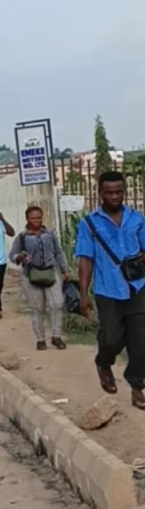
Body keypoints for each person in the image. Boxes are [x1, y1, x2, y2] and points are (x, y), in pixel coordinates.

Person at [76, 170, 145, 409]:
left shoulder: (136, 219)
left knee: (141, 342)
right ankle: (103, 361)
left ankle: (137, 387)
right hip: (107, 290)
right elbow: (85, 260)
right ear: (100, 193)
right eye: (109, 193)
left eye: (118, 192)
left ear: (124, 192)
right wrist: (83, 294)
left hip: (137, 287)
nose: (114, 197)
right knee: (113, 338)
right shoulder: (88, 224)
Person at [10, 206, 68, 350]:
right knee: (37, 308)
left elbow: (58, 252)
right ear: (27, 219)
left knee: (57, 304)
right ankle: (40, 339)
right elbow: (12, 255)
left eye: (38, 217)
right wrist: (20, 257)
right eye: (33, 218)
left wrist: (64, 269)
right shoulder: (22, 238)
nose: (36, 220)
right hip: (30, 275)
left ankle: (56, 336)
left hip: (50, 272)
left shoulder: (49, 234)